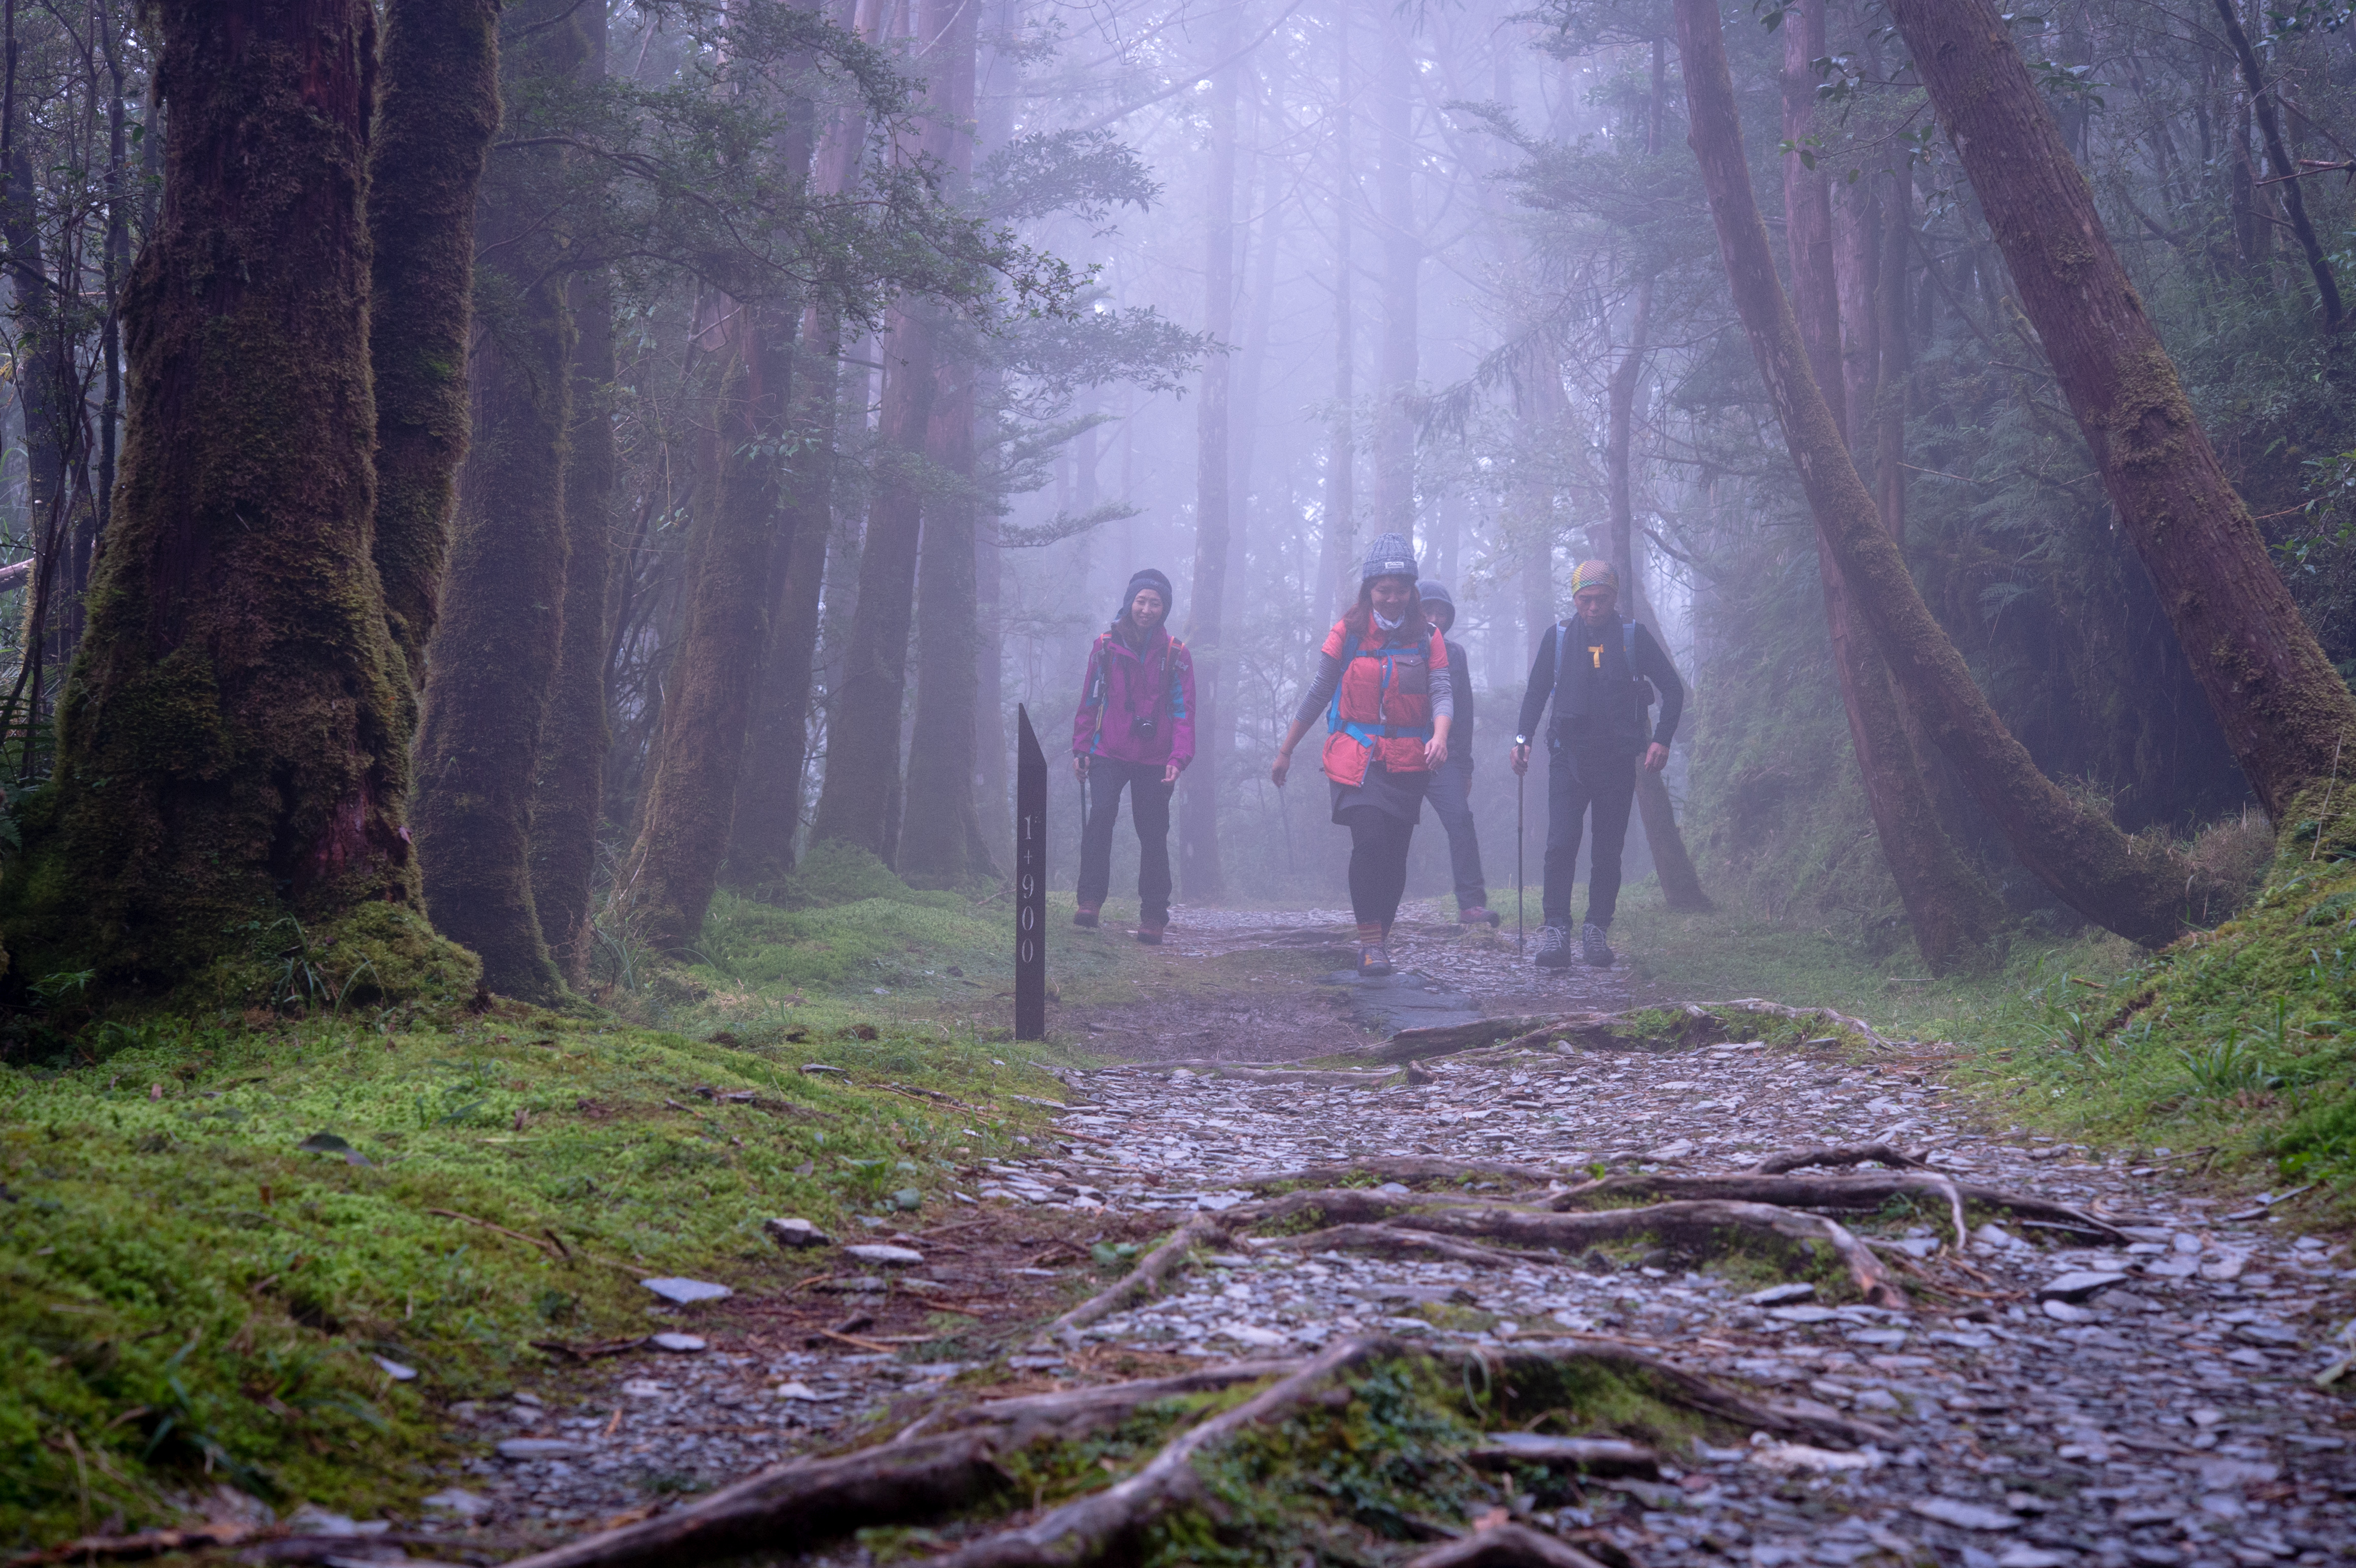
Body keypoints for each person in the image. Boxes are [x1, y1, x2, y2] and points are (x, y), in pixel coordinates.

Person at [1271, 534, 1454, 978]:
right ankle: (1369, 943)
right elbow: (1319, 693)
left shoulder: (1428, 638)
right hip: (1355, 758)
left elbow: (1441, 692)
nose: (1392, 599)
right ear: (1368, 591)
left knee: (1394, 855)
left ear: (1412, 591)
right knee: (1369, 841)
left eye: (1400, 590)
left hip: (1409, 759)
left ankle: (1381, 940)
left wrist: (1441, 737)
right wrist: (1286, 750)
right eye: (1382, 590)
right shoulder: (1347, 632)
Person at [1510, 560, 1685, 970]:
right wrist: (1522, 740)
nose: (1593, 608)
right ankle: (1556, 931)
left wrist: (1661, 739)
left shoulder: (1632, 637)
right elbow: (1535, 693)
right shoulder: (1556, 639)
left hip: (1617, 759)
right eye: (1585, 600)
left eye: (1601, 599)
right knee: (1560, 844)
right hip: (1566, 757)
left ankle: (1596, 931)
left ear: (1614, 597)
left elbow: (1673, 689)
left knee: (1608, 850)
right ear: (1574, 600)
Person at [1071, 568, 1195, 944]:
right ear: (1130, 602)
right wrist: (1081, 747)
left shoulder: (1176, 654)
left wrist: (1179, 757)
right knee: (1101, 816)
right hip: (1108, 750)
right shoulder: (1105, 646)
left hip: (1155, 757)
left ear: (1164, 609)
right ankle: (1089, 901)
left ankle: (1154, 917)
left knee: (1153, 833)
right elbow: (1091, 698)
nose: (1146, 609)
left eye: (1154, 603)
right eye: (1141, 601)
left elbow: (1183, 710)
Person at [1415, 579, 1497, 928]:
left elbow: (1463, 714)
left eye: (1441, 613)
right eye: (1427, 611)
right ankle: (1378, 913)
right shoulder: (1394, 647)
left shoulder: (1455, 654)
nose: (1435, 618)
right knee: (1390, 829)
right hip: (1398, 750)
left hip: (1442, 755)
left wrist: (1465, 767)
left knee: (1460, 820)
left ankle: (1471, 905)